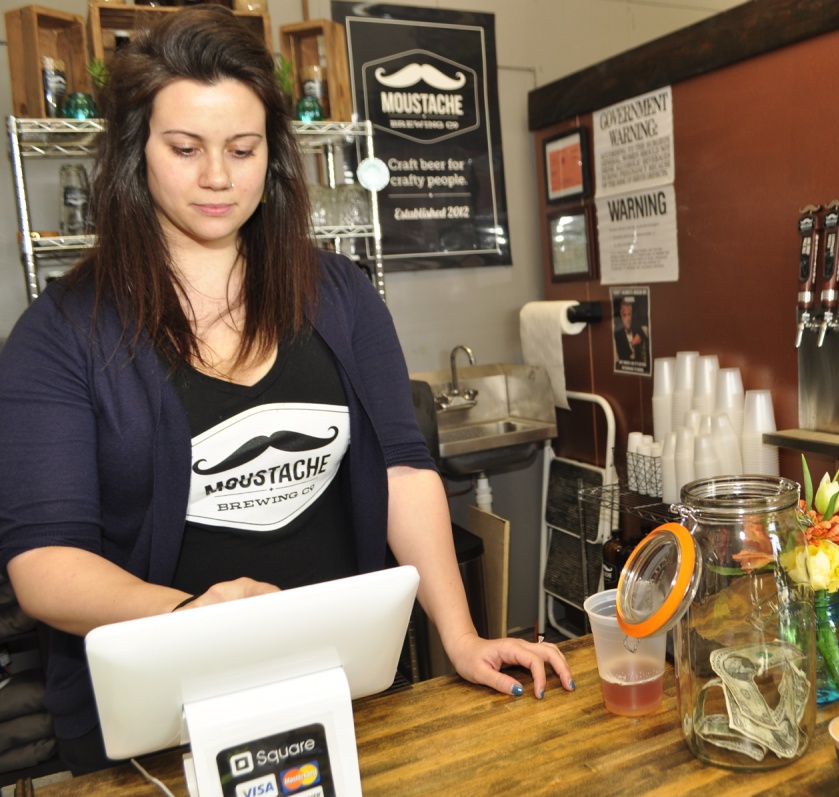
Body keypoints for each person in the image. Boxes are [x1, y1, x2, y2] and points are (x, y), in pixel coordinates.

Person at [0, 6, 572, 775]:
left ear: (272, 156)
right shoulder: (61, 332)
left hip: (344, 692)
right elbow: (45, 563)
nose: (217, 176)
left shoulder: (338, 294)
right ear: (137, 154)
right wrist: (188, 614)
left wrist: (461, 636)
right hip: (159, 724)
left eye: (242, 149)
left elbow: (404, 471)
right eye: (185, 148)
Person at [613, 295, 650, 365]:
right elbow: (622, 355)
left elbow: (646, 345)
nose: (627, 319)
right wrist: (632, 343)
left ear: (632, 314)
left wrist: (644, 356)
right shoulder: (618, 334)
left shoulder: (637, 328)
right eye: (624, 315)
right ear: (621, 316)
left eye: (629, 314)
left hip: (639, 365)